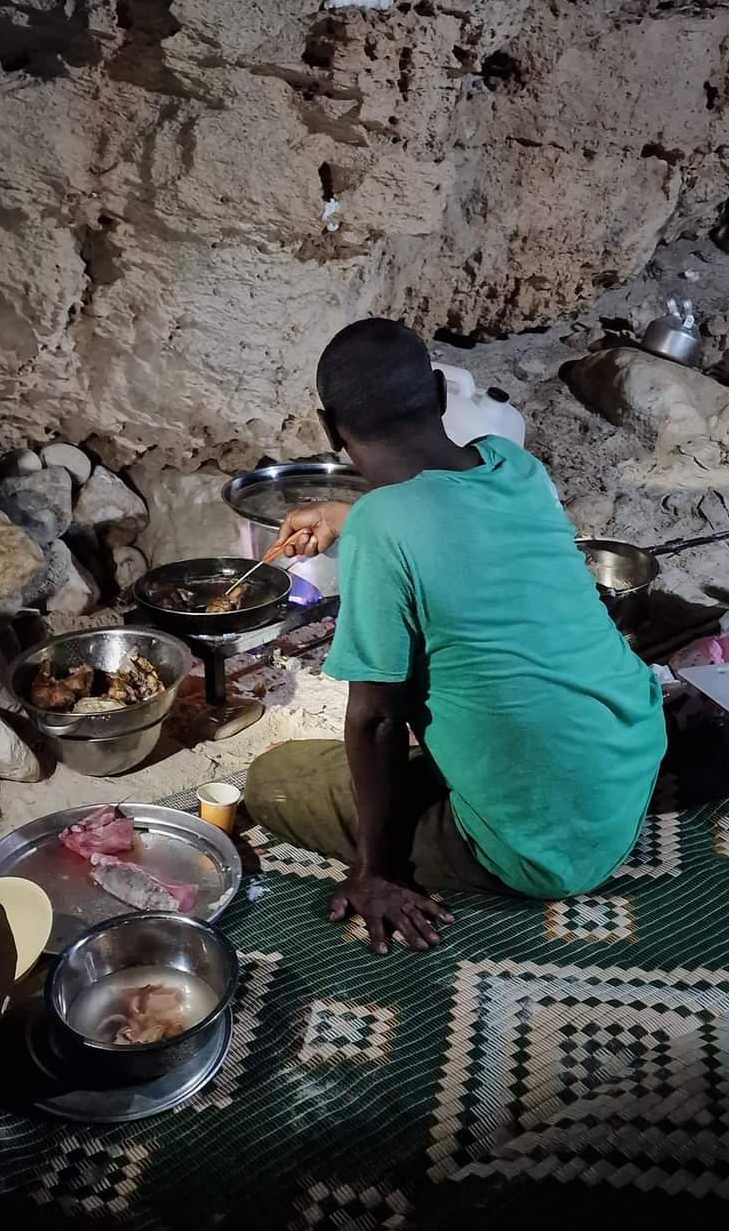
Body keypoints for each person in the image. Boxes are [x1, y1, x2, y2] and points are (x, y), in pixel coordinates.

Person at [245, 318, 666, 954]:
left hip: (540, 849)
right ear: (441, 396)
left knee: (273, 777)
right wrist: (349, 516)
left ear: (330, 430)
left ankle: (426, 850)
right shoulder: (514, 467)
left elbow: (377, 723)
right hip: (622, 778)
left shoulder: (383, 528)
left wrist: (376, 871)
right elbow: (448, 520)